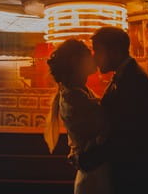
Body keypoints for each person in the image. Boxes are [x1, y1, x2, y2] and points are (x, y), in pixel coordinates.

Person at [76, 26, 148, 194]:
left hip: (136, 177)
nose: (94, 58)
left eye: (97, 51)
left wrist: (88, 159)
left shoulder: (134, 81)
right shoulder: (127, 76)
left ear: (114, 50)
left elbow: (126, 136)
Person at [44, 38, 113, 194]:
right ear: (77, 62)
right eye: (89, 54)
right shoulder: (75, 98)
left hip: (94, 174)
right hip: (95, 178)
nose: (94, 57)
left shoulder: (79, 92)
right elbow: (108, 125)